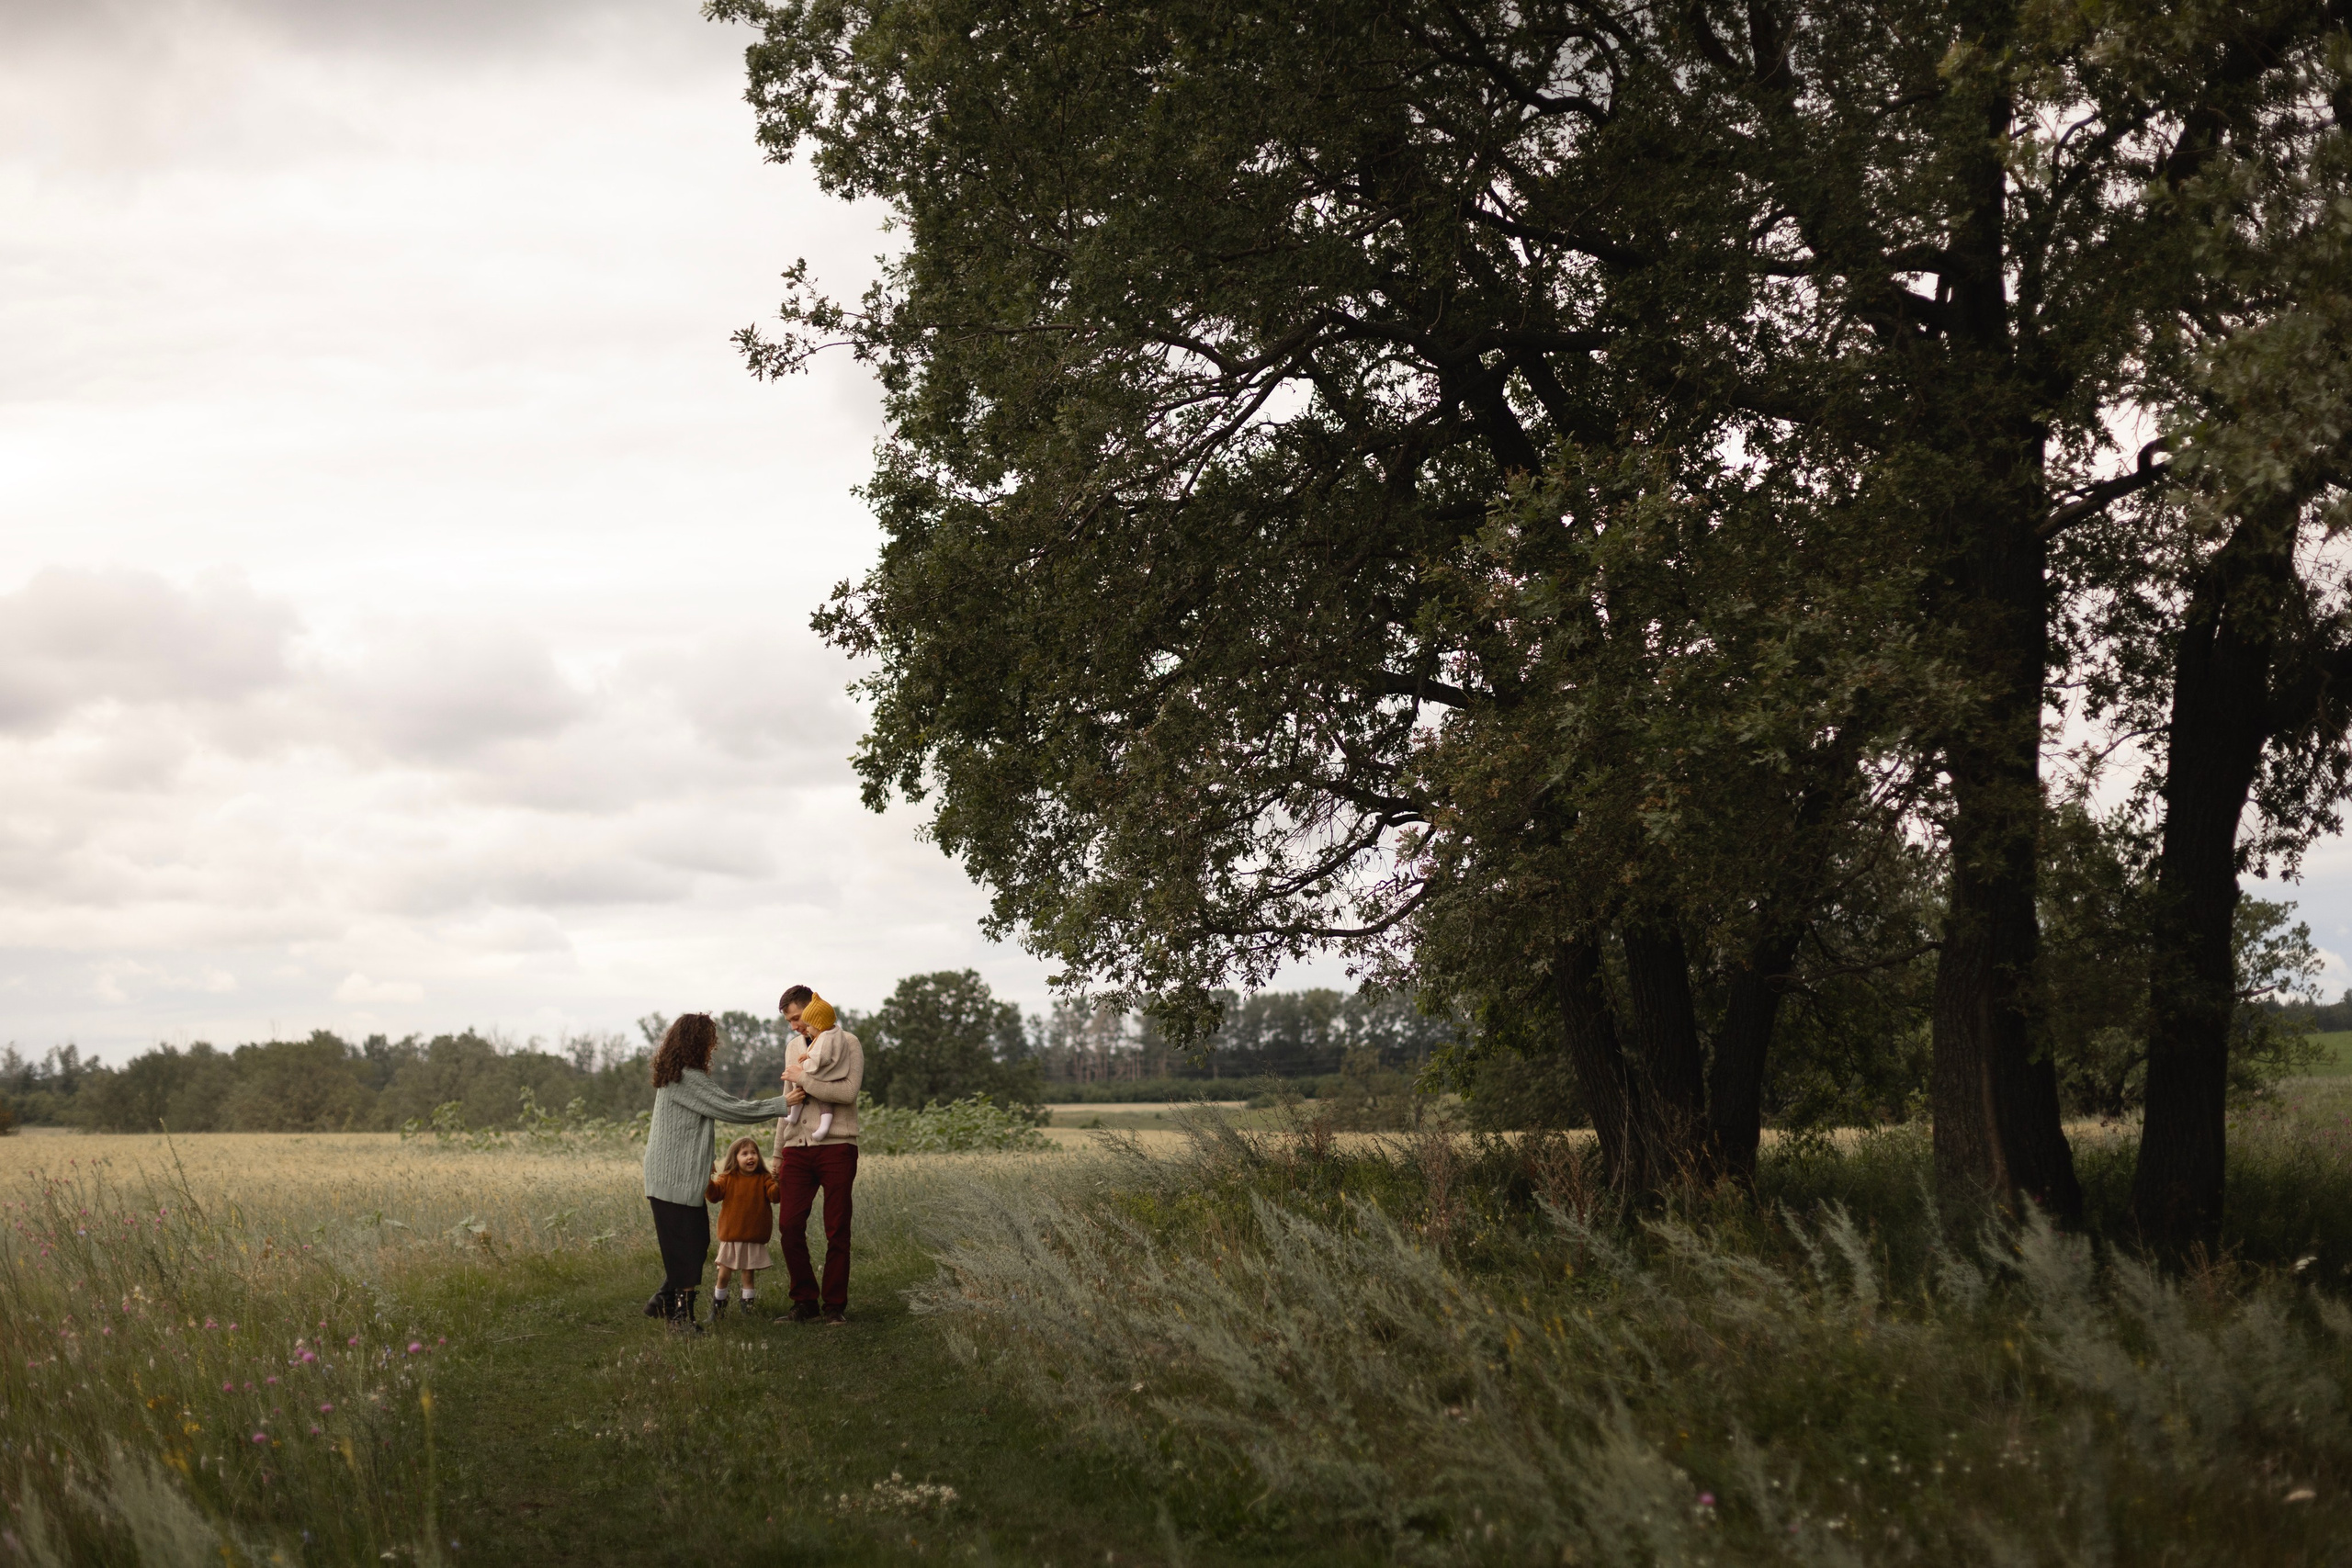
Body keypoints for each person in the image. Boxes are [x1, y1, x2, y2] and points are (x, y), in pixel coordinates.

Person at [640, 1013, 791, 1335]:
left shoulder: (677, 1076)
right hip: (673, 1180)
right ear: (698, 1043)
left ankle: (663, 1302)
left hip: (672, 1176)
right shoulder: (687, 1079)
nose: (712, 1046)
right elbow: (731, 1108)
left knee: (689, 1245)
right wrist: (782, 1103)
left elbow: (681, 1129)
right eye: (709, 1040)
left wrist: (700, 1157)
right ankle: (680, 1319)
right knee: (689, 1248)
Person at [773, 985, 863, 1325]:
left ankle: (835, 1307)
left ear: (812, 1009)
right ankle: (804, 1301)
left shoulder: (849, 1042)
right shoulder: (793, 1047)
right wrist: (778, 1153)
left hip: (837, 1146)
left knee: (837, 1228)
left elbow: (848, 1092)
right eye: (789, 1021)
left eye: (796, 1018)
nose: (794, 1026)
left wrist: (804, 1080)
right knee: (789, 1225)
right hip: (797, 1147)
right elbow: (787, 1099)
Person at [706, 1136, 778, 1321]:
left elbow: (775, 1196)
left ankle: (748, 1312)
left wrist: (779, 1180)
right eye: (744, 1153)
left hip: (753, 1236)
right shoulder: (728, 1177)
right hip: (731, 1237)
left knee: (748, 1276)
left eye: (753, 1153)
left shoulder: (764, 1178)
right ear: (735, 1158)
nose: (750, 1157)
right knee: (723, 1275)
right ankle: (718, 1310)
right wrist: (706, 1178)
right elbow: (714, 1195)